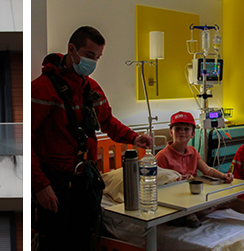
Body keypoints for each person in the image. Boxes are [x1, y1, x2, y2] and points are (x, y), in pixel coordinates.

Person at [31, 26, 154, 251]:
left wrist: (134, 138)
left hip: (83, 180)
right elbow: (24, 141)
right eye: (89, 55)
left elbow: (107, 121)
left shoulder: (91, 88)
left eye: (97, 58)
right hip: (55, 183)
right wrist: (40, 185)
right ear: (72, 49)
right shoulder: (42, 90)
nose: (93, 62)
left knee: (84, 241)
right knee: (55, 243)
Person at [157, 111, 244, 226]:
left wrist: (223, 176)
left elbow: (207, 170)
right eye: (178, 129)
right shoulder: (162, 156)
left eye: (186, 129)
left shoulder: (192, 151)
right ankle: (187, 216)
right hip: (176, 202)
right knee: (215, 204)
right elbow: (156, 185)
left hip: (192, 198)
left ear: (193, 134)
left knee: (230, 200)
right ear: (171, 132)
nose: (182, 132)